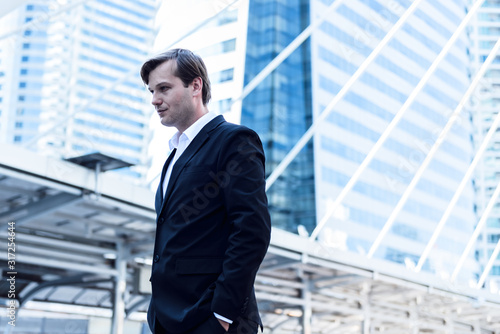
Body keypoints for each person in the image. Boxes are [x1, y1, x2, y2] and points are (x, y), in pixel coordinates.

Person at [140, 48, 271, 334]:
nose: (154, 100)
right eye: (151, 91)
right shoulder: (173, 155)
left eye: (164, 88)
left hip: (211, 319)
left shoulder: (234, 141)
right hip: (168, 319)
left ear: (195, 86)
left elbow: (252, 231)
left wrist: (222, 315)